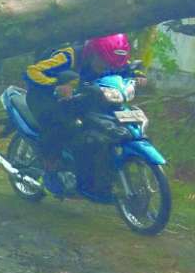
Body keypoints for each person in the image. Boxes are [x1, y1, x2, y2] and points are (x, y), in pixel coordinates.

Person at [24, 33, 141, 196]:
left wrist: (138, 77)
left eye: (111, 64)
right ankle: (50, 169)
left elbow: (124, 71)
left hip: (78, 95)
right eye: (104, 62)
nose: (107, 67)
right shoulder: (68, 57)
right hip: (43, 95)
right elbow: (32, 71)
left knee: (97, 126)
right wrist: (55, 86)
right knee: (60, 123)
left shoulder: (111, 60)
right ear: (93, 52)